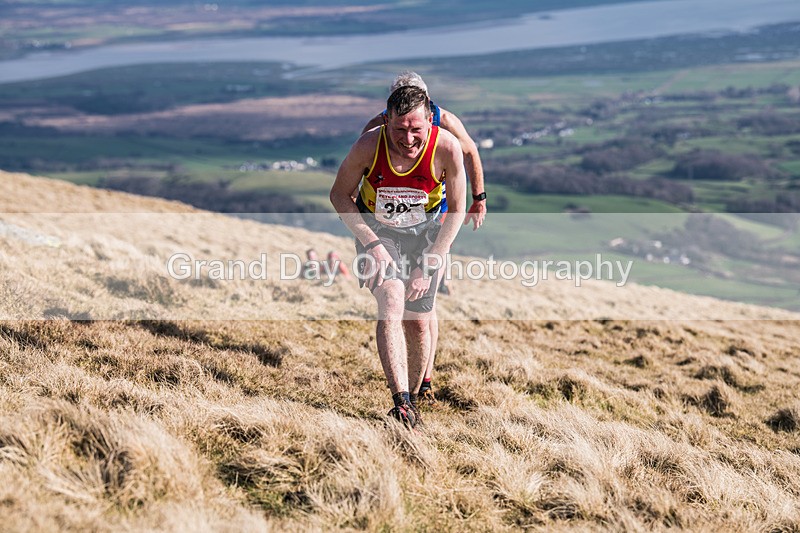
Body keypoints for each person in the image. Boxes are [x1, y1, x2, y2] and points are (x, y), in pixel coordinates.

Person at [331, 85, 466, 428]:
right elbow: (339, 196)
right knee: (391, 299)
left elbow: (458, 210)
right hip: (380, 231)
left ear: (429, 122)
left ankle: (417, 395)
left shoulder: (446, 147)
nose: (408, 139)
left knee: (419, 321)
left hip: (427, 235)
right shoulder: (368, 145)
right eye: (399, 129)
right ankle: (401, 402)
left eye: (416, 129)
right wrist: (371, 243)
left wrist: (433, 258)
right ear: (386, 120)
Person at [361, 71, 488, 405]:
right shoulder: (378, 128)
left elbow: (471, 151)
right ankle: (412, 388)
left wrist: (480, 197)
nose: (408, 134)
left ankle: (425, 377)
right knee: (401, 304)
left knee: (423, 306)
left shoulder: (444, 122)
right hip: (389, 224)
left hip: (436, 218)